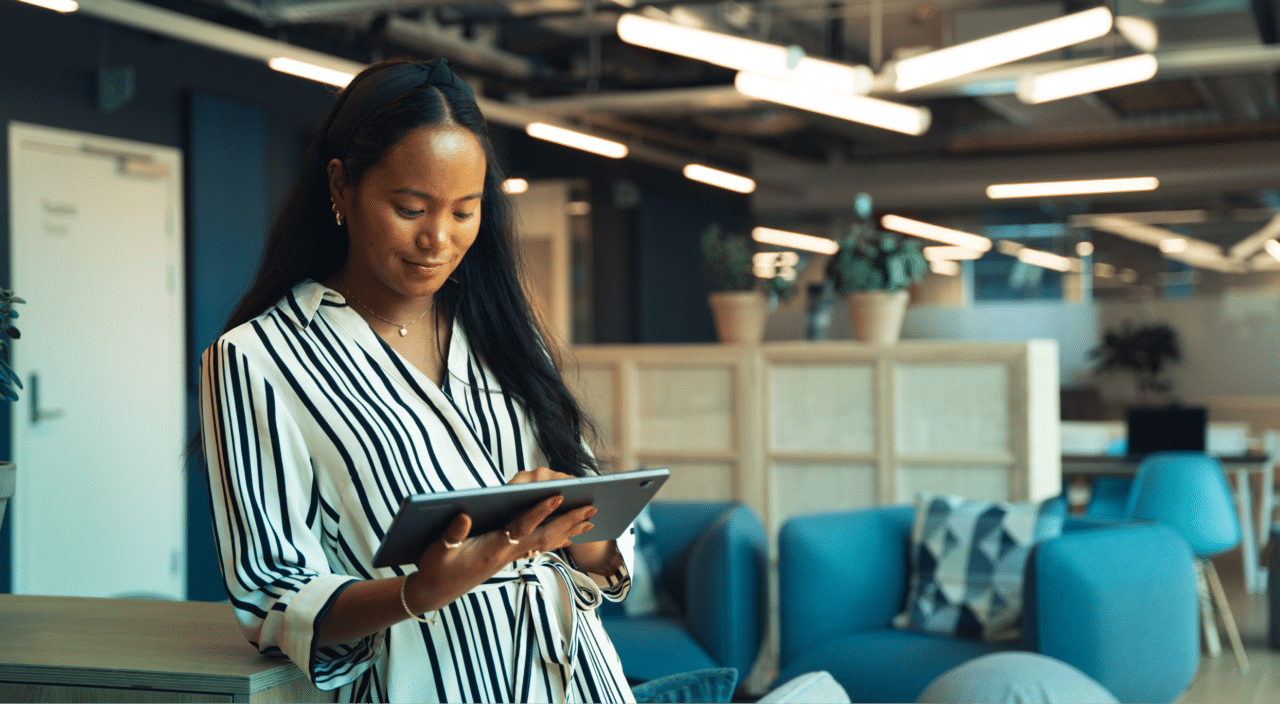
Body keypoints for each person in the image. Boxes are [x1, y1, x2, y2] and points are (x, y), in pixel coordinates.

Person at [199, 57, 636, 703]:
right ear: (341, 188)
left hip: (579, 681)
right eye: (410, 207)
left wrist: (586, 534)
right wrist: (420, 590)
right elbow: (273, 599)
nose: (437, 238)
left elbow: (595, 538)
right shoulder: (257, 357)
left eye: (464, 212)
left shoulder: (506, 333)